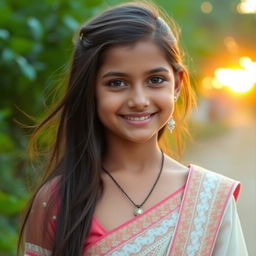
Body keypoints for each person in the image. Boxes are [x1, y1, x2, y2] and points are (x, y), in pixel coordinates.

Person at [18, 1, 248, 255]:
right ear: (90, 90)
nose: (139, 100)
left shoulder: (211, 199)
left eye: (155, 80)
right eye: (117, 83)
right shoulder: (56, 202)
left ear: (177, 85)